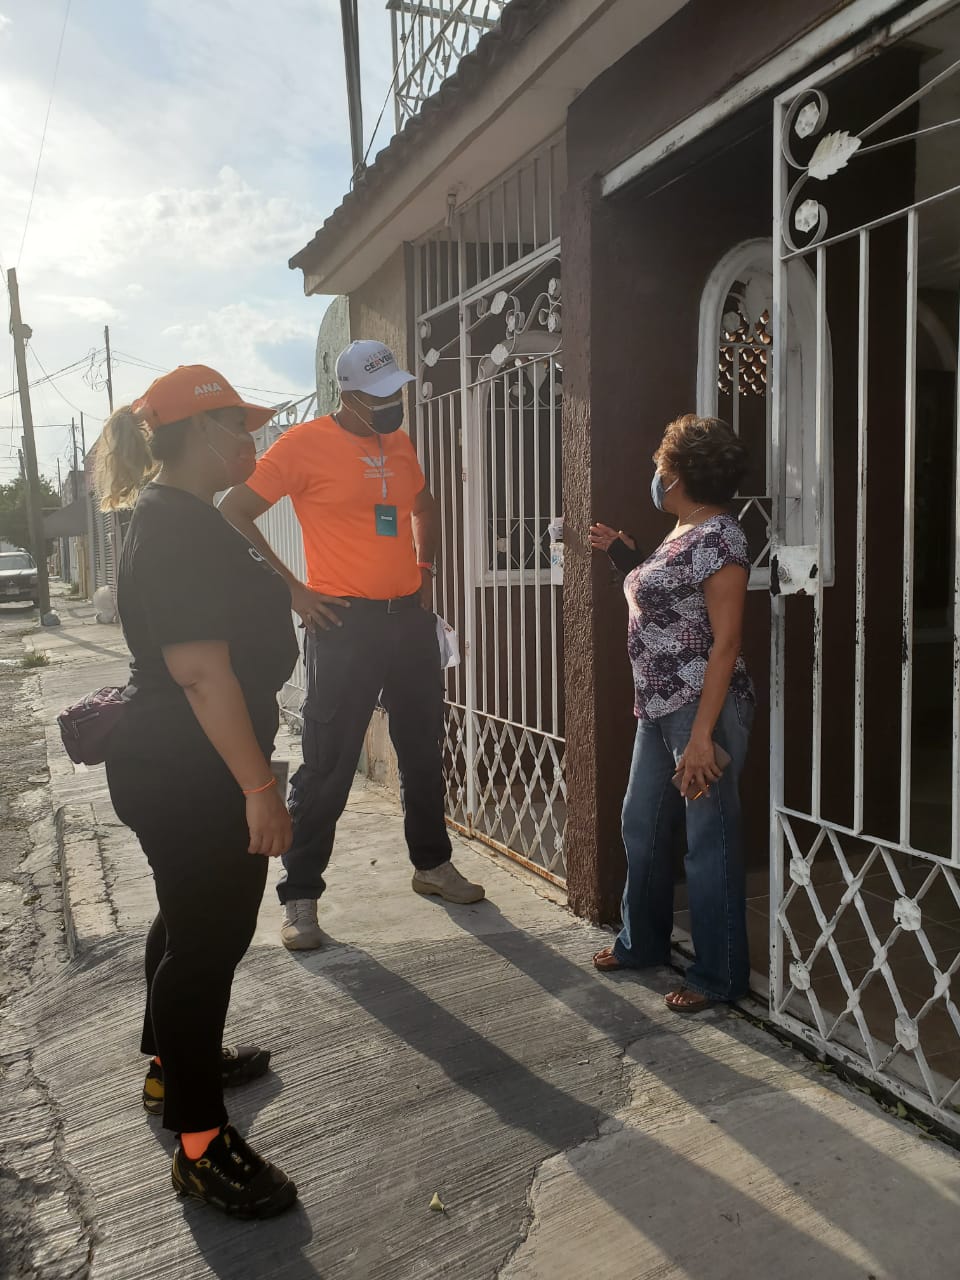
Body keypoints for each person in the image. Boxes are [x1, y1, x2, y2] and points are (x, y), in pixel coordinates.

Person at [98, 365, 300, 1218]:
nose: (250, 439)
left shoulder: (182, 516)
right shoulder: (174, 525)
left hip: (185, 762)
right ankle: (199, 1141)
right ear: (198, 432)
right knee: (208, 943)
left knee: (187, 924)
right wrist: (257, 784)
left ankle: (167, 1066)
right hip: (195, 768)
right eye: (237, 425)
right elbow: (198, 670)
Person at [219, 340, 484, 952]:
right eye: (379, 395)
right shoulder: (303, 445)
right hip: (343, 625)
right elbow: (235, 509)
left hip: (408, 620)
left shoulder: (399, 441)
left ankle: (432, 866)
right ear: (348, 394)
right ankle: (301, 895)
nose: (393, 403)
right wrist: (293, 590)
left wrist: (427, 568)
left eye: (397, 391)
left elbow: (422, 503)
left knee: (423, 750)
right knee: (329, 763)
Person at [589, 414, 754, 1013]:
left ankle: (719, 974)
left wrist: (703, 737)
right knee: (642, 824)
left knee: (708, 842)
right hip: (657, 707)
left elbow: (726, 642)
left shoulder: (721, 539)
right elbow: (667, 602)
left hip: (698, 710)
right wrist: (629, 556)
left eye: (660, 466)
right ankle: (643, 942)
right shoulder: (683, 531)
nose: (654, 475)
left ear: (678, 473)